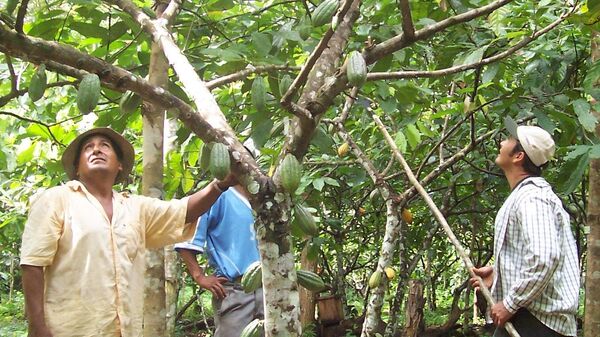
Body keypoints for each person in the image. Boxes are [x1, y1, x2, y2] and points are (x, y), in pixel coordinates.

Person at [20, 127, 238, 337]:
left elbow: (183, 212)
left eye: (105, 146)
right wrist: (37, 326)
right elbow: (33, 264)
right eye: (88, 147)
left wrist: (220, 185)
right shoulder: (56, 199)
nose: (96, 150)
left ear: (120, 166)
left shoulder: (135, 207)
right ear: (77, 168)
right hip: (70, 329)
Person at [470, 118, 580, 337]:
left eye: (510, 139)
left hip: (537, 322)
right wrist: (499, 271)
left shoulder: (532, 199)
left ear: (518, 156)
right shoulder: (525, 196)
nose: (502, 142)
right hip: (530, 318)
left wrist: (510, 303)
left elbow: (544, 258)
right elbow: (535, 254)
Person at [175, 161, 264, 337]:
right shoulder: (218, 196)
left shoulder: (262, 200)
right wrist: (199, 276)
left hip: (267, 290)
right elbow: (185, 239)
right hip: (235, 291)